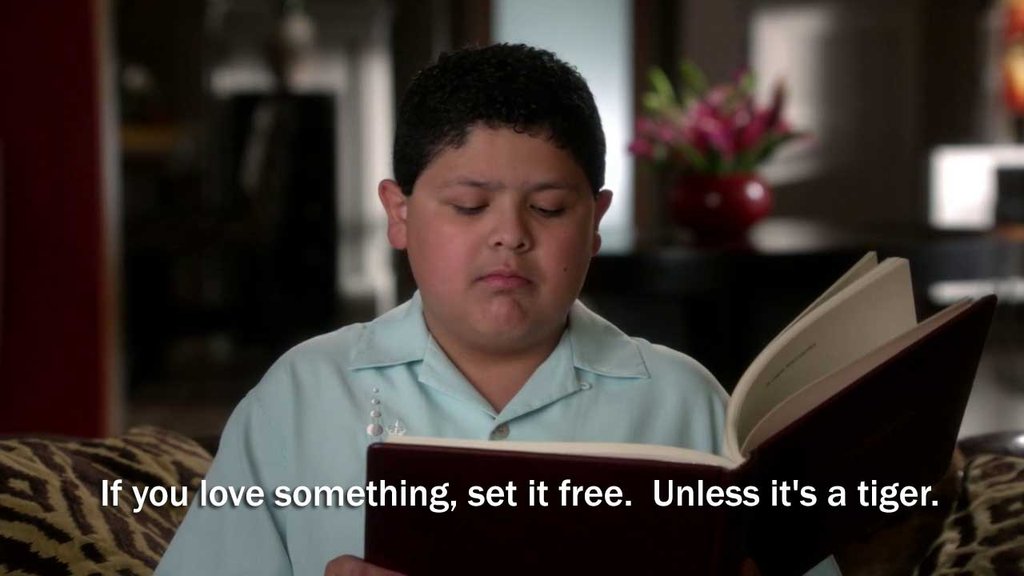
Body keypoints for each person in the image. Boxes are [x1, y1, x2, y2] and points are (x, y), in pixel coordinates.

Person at [156, 43, 840, 576]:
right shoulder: (303, 394)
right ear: (399, 213)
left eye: (549, 208)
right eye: (469, 206)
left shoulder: (684, 402)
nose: (510, 235)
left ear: (596, 221)